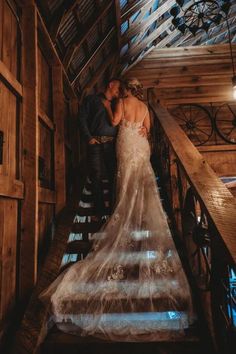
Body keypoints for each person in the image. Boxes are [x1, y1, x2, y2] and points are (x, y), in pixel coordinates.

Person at [39, 78, 194, 342]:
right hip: (140, 148)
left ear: (125, 91)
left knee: (124, 180)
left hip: (125, 144)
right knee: (142, 179)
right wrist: (139, 130)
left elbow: (113, 123)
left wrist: (115, 111)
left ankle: (123, 210)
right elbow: (147, 130)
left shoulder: (121, 103)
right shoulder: (145, 107)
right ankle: (140, 213)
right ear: (139, 91)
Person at [78, 78, 121, 222]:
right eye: (117, 88)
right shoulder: (91, 99)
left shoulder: (118, 103)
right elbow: (82, 118)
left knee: (113, 175)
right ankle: (99, 210)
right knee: (96, 175)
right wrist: (88, 137)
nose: (118, 91)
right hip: (94, 142)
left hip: (112, 144)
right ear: (110, 84)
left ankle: (114, 209)